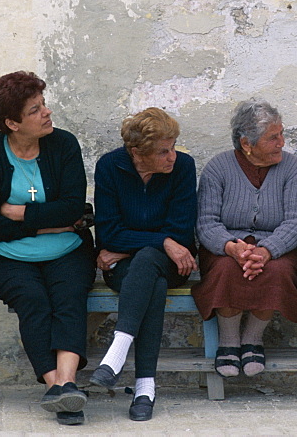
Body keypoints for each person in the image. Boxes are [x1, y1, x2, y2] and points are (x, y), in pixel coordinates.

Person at [0, 71, 94, 427]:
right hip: (4, 256)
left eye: (43, 104)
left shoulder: (64, 144)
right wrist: (49, 222)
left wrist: (18, 212)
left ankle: (66, 384)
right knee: (33, 299)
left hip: (67, 250)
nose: (47, 113)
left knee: (69, 296)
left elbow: (72, 207)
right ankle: (60, 390)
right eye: (35, 109)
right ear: (12, 123)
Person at [89, 107, 197, 422]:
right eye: (163, 151)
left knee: (150, 261)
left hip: (174, 265)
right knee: (153, 278)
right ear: (137, 153)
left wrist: (128, 247)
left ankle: (116, 353)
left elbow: (181, 231)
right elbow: (108, 233)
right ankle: (144, 388)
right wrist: (162, 241)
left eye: (173, 147)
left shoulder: (184, 168)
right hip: (131, 270)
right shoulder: (110, 167)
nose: (172, 157)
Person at [191, 99, 297, 378]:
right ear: (247, 143)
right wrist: (231, 247)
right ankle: (229, 341)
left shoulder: (292, 169)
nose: (281, 142)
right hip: (226, 245)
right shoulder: (218, 168)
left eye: (281, 134)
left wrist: (267, 250)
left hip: (279, 247)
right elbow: (206, 222)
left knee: (277, 270)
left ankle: (253, 339)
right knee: (224, 268)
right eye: (273, 137)